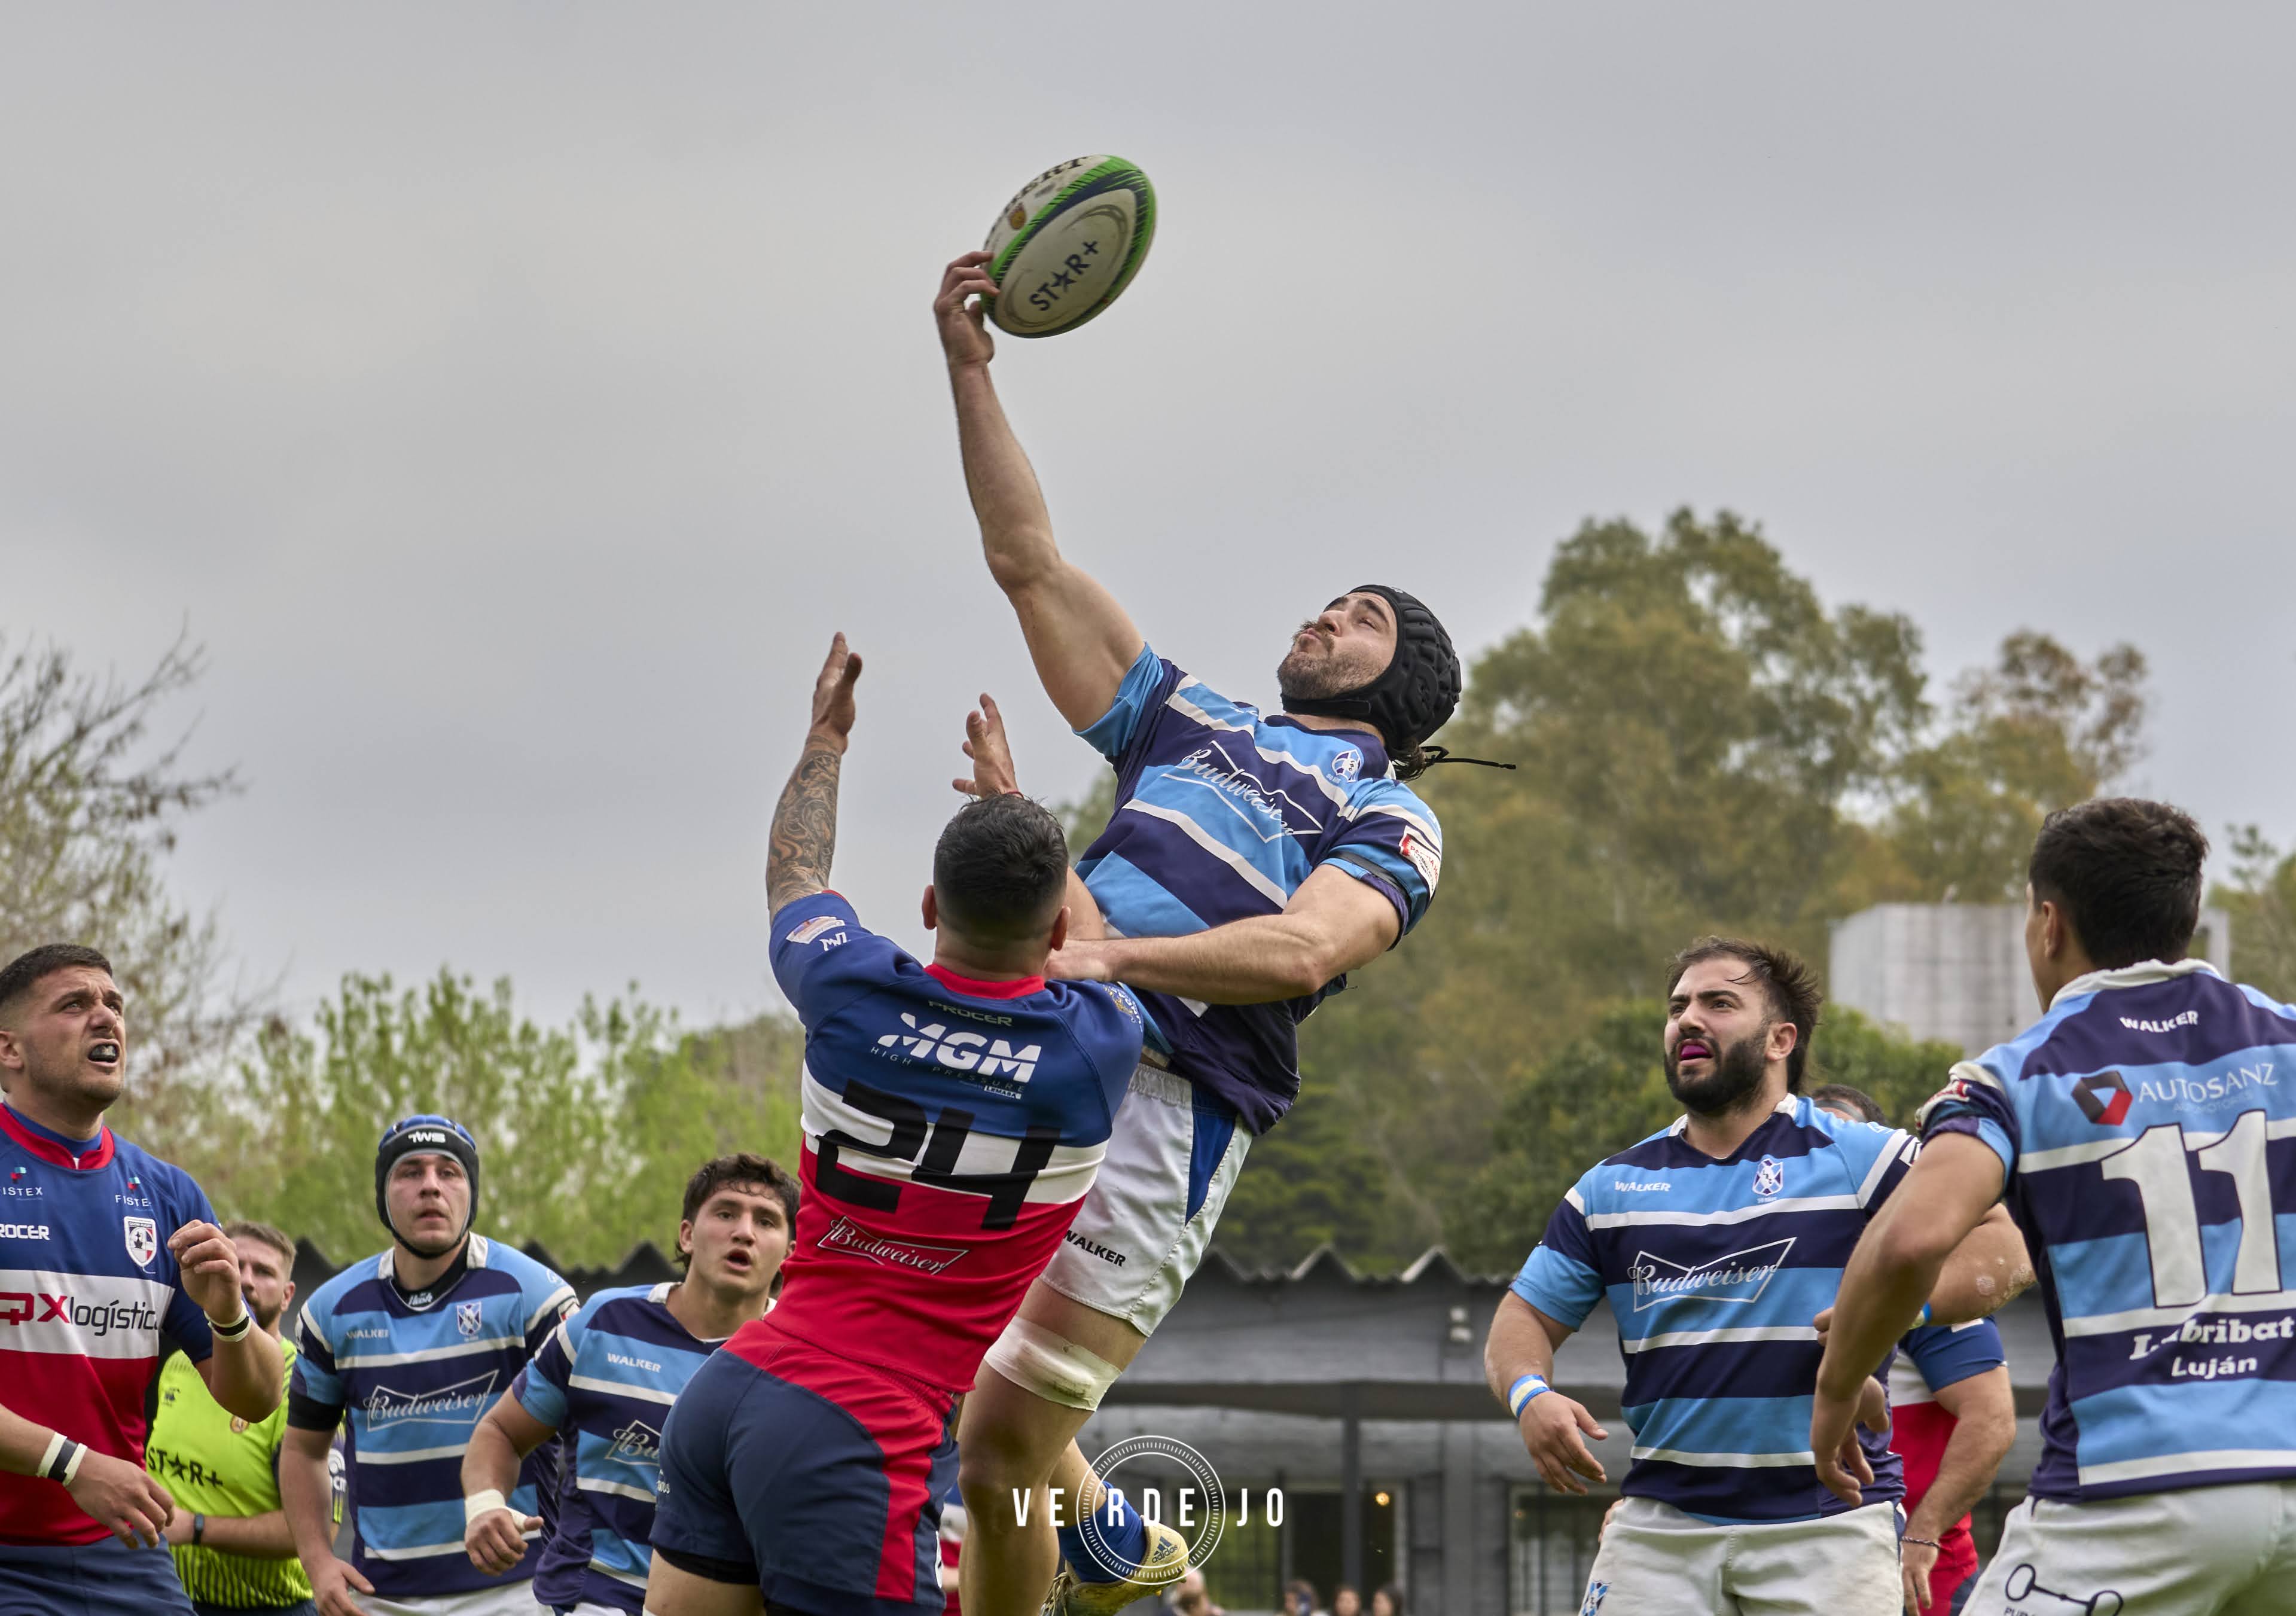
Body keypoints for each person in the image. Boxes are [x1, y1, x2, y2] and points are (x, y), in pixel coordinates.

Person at [935, 253, 1465, 1616]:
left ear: (1397, 681)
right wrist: (971, 366)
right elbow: (1029, 563)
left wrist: (1090, 945)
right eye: (1327, 599)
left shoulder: (1391, 813)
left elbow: (1296, 953)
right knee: (939, 1363)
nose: (1323, 615)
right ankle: (1105, 1536)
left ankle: (1099, 1540)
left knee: (1000, 1445)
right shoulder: (1195, 721)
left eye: (1360, 618)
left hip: (1168, 1111)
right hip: (1044, 1057)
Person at [641, 636, 1144, 1616]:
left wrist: (823, 740)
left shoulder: (847, 983)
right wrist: (1014, 806)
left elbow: (793, 871)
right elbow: (1094, 951)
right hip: (853, 1427)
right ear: (1047, 930)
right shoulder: (1097, 1043)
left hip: (730, 1388)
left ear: (925, 906)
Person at [1815, 798, 2296, 1612]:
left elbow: (1909, 1240)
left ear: (2046, 922)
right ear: (2184, 914)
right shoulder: (2285, 1038)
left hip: (2133, 1493)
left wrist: (1834, 1389)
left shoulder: (2011, 1078)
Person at [1485, 937, 2030, 1616]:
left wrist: (1889, 1315)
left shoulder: (1861, 1156)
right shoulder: (1611, 1185)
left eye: (1718, 1003)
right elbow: (1521, 1317)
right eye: (1677, 1005)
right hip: (1660, 1528)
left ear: (1779, 1039)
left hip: (1829, 1522)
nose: (1688, 1018)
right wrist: (1529, 1393)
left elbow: (2004, 1246)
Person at [0, 943, 285, 1616]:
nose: (106, 1016)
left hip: (124, 1550)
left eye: (114, 1004)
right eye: (74, 1003)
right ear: (9, 1048)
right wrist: (71, 1463)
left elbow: (257, 1397)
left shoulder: (168, 1195)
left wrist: (229, 1316)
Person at [459, 1154, 795, 1615]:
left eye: (766, 1221)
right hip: (588, 1602)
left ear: (790, 1252)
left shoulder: (806, 1360)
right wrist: (483, 1504)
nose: (744, 1232)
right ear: (687, 1235)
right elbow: (500, 1432)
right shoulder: (603, 1322)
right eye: (725, 1213)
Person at [280, 1115, 577, 1616]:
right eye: (410, 1172)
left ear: (471, 1192)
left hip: (517, 1591)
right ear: (383, 1195)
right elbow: (304, 1450)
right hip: (381, 1597)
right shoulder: (331, 1311)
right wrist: (316, 1560)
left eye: (449, 1172)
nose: (431, 1187)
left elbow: (592, 1443)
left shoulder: (536, 1296)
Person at [1810, 1086, 2016, 1615]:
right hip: (1802, 1560)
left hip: (1913, 1577)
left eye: (1842, 1138)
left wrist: (1922, 1536)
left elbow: (1991, 1418)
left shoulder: (1913, 1291)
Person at [147, 1219, 316, 1616]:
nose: (245, 1280)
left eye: (264, 1271)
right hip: (167, 1597)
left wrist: (197, 1528)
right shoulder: (179, 1364)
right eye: (235, 1264)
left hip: (267, 1608)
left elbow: (317, 1529)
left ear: (289, 1295)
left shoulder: (307, 1386)